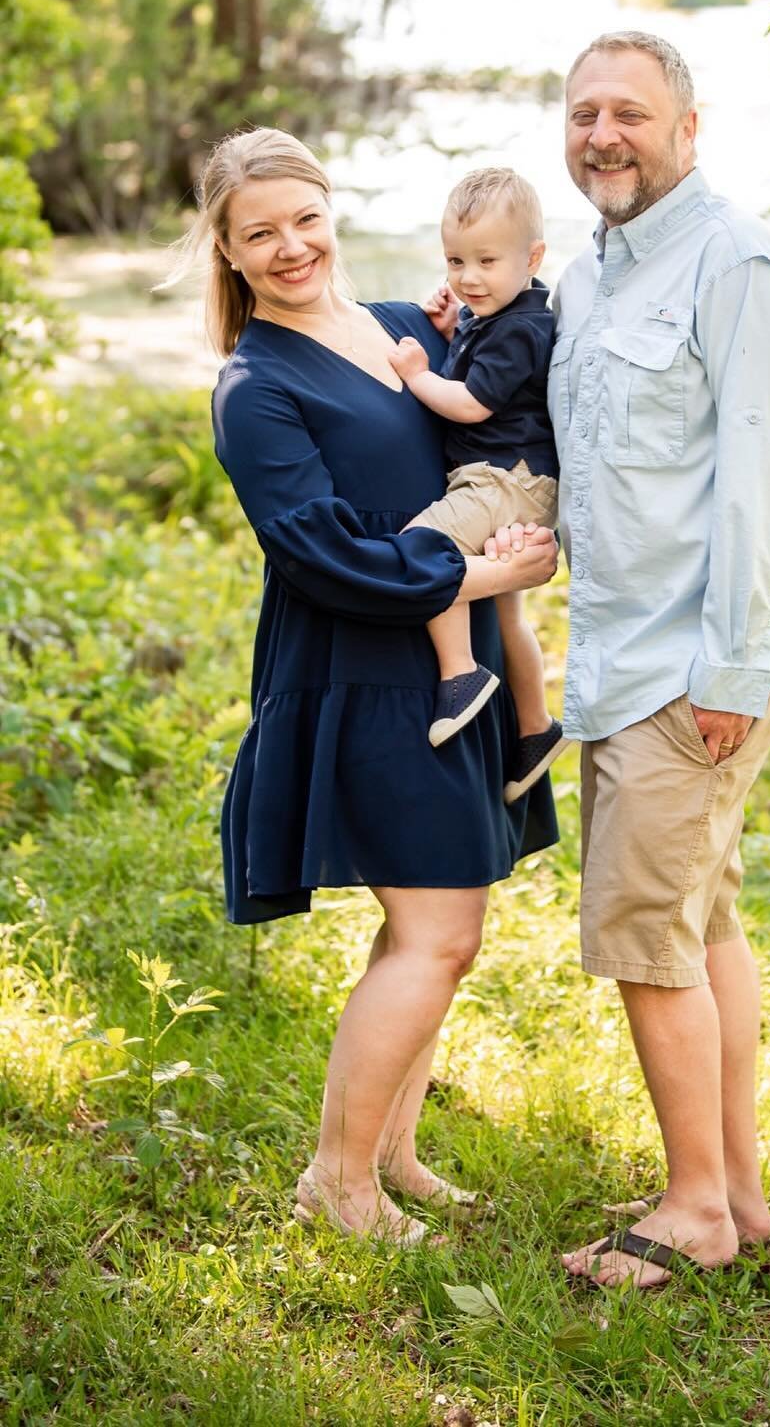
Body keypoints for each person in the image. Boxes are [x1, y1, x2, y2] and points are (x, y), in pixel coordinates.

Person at [192, 127, 559, 1245]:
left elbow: (501, 378)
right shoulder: (254, 388)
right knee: (437, 929)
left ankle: (393, 1151)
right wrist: (472, 567)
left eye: (307, 218)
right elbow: (319, 549)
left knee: (440, 923)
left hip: (457, 662)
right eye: (262, 232)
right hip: (366, 669)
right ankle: (338, 1182)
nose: (294, 246)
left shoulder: (401, 326)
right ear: (228, 247)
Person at [548, 30, 770, 1288]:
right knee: (702, 919)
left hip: (692, 669)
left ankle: (694, 1215)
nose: (602, 134)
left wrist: (732, 674)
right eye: (582, 114)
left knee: (642, 932)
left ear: (688, 126)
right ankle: (737, 1188)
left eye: (628, 111)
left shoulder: (745, 270)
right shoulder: (594, 275)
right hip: (622, 655)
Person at [386, 167, 569, 800]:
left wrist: (417, 371)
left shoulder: (520, 327)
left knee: (419, 546)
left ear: (533, 257)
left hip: (502, 481)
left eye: (487, 260)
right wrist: (450, 333)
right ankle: (534, 726)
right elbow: (483, 361)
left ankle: (459, 674)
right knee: (506, 609)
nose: (468, 278)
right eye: (455, 260)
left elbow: (471, 403)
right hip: (521, 482)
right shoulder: (504, 314)